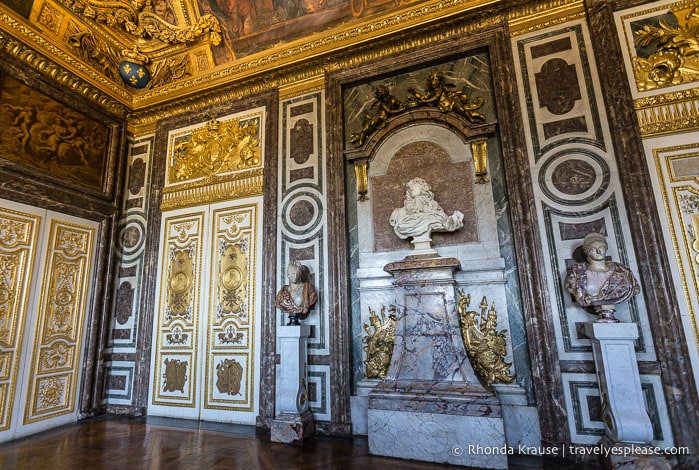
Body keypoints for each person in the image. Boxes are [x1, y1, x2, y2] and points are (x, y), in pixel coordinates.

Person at [564, 232, 640, 322]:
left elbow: (634, 289)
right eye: (593, 249)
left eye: (602, 248)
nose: (598, 251)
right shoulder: (577, 274)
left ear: (606, 248)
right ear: (587, 252)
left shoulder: (623, 271)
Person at [389, 177, 464, 243]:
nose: (411, 189)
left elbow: (446, 224)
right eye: (410, 188)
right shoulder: (399, 213)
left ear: (423, 189)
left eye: (414, 187)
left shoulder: (435, 211)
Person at [274, 261, 318, 325]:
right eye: (289, 274)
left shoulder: (308, 288)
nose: (291, 276)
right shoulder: (283, 290)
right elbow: (278, 302)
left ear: (299, 274)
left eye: (293, 273)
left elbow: (312, 298)